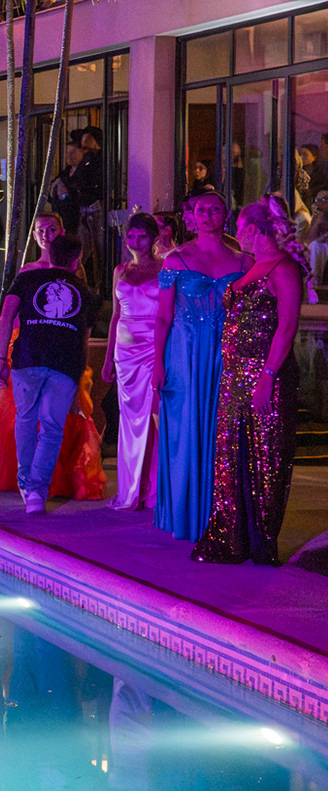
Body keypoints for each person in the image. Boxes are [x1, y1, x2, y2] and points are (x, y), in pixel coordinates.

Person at [193, 197, 304, 565]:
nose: (236, 233)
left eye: (240, 227)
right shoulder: (254, 266)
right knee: (231, 457)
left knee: (265, 458)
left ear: (254, 230)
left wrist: (266, 378)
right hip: (235, 376)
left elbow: (286, 327)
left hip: (267, 376)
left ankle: (261, 542)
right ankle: (232, 537)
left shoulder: (284, 268)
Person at [152, 190, 250, 541]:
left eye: (215, 209)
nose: (208, 215)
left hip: (227, 353)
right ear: (192, 216)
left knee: (223, 431)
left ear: (227, 214)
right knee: (185, 429)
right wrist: (157, 363)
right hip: (184, 354)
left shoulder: (245, 262)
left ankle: (220, 516)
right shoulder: (175, 259)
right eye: (201, 209)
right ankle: (186, 514)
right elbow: (162, 317)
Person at [0, 234, 96, 515]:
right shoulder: (85, 292)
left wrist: (0, 357)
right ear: (77, 259)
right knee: (51, 428)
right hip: (65, 365)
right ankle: (36, 491)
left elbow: (6, 316)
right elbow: (84, 338)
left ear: (49, 253)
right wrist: (78, 374)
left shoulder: (26, 279)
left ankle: (26, 482)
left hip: (27, 359)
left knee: (26, 419)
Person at [107, 213, 164, 512]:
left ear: (154, 238)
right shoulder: (120, 270)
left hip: (154, 348)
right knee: (129, 420)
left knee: (155, 418)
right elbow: (115, 315)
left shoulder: (166, 268)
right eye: (130, 236)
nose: (135, 242)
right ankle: (131, 489)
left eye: (141, 236)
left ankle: (154, 491)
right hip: (125, 353)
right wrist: (108, 357)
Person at [49, 127, 104, 238]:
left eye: (73, 152)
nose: (69, 156)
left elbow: (87, 193)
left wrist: (68, 193)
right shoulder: (65, 173)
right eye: (67, 152)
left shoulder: (89, 169)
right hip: (65, 218)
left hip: (82, 218)